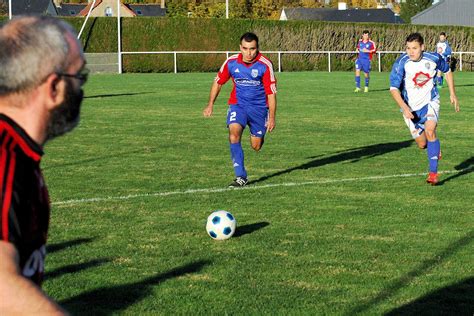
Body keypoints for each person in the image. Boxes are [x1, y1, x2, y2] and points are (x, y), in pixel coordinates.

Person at [0, 16, 88, 314]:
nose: (81, 92)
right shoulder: (4, 155)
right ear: (53, 88)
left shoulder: (19, 151)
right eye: (80, 78)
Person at [203, 32, 277, 187]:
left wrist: (271, 117)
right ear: (240, 48)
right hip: (238, 105)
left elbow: (271, 93)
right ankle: (240, 176)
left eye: (252, 49)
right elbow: (218, 82)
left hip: (259, 109)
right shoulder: (231, 62)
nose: (248, 53)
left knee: (256, 146)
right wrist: (210, 104)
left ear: (257, 48)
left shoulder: (265, 64)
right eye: (245, 48)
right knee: (234, 134)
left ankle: (257, 133)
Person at [389, 32, 459, 185]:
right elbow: (393, 88)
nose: (410, 52)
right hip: (409, 108)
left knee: (430, 131)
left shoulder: (433, 58)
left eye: (414, 48)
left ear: (422, 47)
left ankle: (433, 174)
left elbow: (447, 70)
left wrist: (452, 93)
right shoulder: (402, 63)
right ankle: (434, 148)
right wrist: (404, 107)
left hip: (430, 102)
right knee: (422, 144)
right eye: (408, 48)